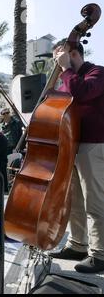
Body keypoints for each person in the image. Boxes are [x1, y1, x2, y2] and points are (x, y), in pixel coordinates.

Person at [48, 39, 104, 273]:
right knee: (75, 201)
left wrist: (66, 70)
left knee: (95, 201)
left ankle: (100, 253)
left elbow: (83, 92)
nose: (56, 63)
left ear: (72, 53)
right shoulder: (67, 79)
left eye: (59, 56)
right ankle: (77, 244)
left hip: (93, 144)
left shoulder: (97, 72)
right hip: (72, 145)